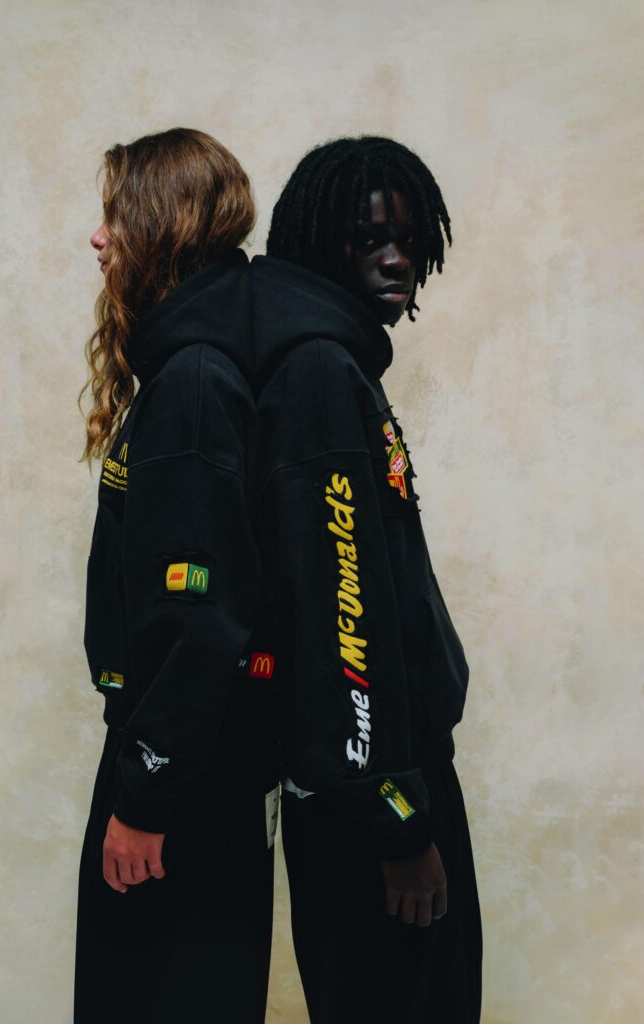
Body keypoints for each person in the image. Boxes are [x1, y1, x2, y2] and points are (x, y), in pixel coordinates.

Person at [248, 136, 483, 1023]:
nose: (396, 259)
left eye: (409, 239)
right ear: (319, 242)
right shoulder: (318, 376)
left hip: (390, 787)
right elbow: (341, 621)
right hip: (377, 809)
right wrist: (398, 821)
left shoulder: (337, 366)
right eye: (368, 238)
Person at [74, 128, 281, 1024]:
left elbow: (203, 620)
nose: (98, 238)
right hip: (194, 774)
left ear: (163, 225)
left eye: (115, 216)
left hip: (182, 791)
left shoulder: (195, 382)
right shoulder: (194, 366)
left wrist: (145, 798)